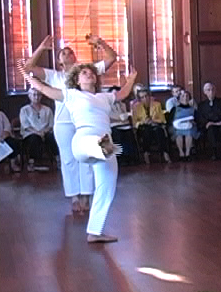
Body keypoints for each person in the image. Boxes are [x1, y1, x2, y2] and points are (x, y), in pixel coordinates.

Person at [20, 62, 138, 243]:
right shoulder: (72, 95)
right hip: (83, 142)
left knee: (107, 187)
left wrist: (131, 79)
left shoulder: (103, 97)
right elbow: (44, 89)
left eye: (91, 73)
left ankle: (95, 232)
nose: (89, 74)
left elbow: (122, 94)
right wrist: (28, 77)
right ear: (76, 79)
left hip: (104, 143)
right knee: (104, 147)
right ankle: (108, 151)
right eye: (84, 73)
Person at [24, 34, 117, 213]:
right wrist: (42, 48)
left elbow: (111, 58)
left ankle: (86, 195)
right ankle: (75, 196)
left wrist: (100, 43)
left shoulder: (86, 72)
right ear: (59, 60)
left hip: (85, 123)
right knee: (68, 160)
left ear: (75, 57)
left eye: (70, 52)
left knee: (88, 158)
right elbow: (28, 67)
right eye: (63, 53)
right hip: (64, 123)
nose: (67, 54)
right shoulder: (54, 76)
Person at [19, 87, 57, 171]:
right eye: (34, 95)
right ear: (29, 96)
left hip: (45, 132)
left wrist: (43, 132)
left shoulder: (47, 110)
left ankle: (57, 159)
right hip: (31, 133)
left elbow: (51, 125)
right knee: (34, 138)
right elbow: (26, 126)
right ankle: (32, 163)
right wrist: (37, 133)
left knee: (52, 137)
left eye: (39, 95)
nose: (36, 97)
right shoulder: (24, 110)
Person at [132, 89, 171, 164]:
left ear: (150, 96)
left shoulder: (157, 104)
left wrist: (154, 121)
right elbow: (134, 122)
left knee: (159, 131)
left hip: (155, 125)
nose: (145, 98)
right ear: (139, 99)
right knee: (147, 131)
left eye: (146, 96)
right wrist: (143, 122)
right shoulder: (136, 107)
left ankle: (164, 152)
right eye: (142, 97)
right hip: (143, 127)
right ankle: (146, 153)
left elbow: (163, 119)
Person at [197, 82, 221, 161]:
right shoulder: (202, 105)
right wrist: (208, 123)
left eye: (213, 89)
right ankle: (214, 153)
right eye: (208, 90)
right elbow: (201, 118)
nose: (211, 92)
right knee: (211, 130)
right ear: (205, 92)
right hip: (209, 126)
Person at [107, 86, 139, 166]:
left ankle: (131, 157)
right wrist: (120, 119)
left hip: (125, 124)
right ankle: (121, 158)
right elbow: (109, 118)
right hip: (114, 125)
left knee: (129, 135)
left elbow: (125, 116)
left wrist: (125, 117)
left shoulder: (123, 104)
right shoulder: (107, 105)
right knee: (118, 135)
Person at [170, 90, 200, 161]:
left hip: (190, 126)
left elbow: (197, 120)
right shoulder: (175, 109)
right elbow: (170, 120)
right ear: (179, 98)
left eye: (187, 96)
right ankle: (181, 153)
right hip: (177, 127)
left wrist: (193, 122)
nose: (185, 98)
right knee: (178, 134)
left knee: (189, 133)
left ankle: (187, 153)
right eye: (183, 96)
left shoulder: (193, 109)